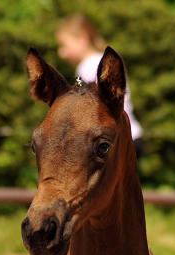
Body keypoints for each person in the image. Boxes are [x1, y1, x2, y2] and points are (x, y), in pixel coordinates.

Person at [56, 14, 144, 159]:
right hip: (131, 136)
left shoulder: (88, 66)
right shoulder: (101, 61)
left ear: (81, 39)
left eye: (64, 45)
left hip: (114, 141)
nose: (62, 53)